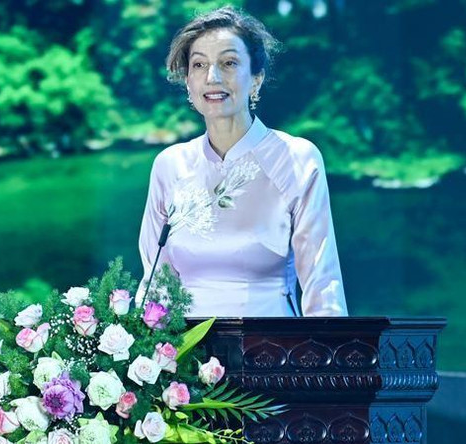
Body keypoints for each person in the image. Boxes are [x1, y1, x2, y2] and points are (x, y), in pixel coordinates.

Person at [137, 6, 347, 317]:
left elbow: (322, 286)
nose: (213, 77)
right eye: (199, 65)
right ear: (188, 83)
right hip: (183, 357)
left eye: (229, 63)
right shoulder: (170, 165)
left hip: (274, 354)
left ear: (256, 79)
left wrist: (331, 361)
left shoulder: (297, 158)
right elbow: (155, 287)